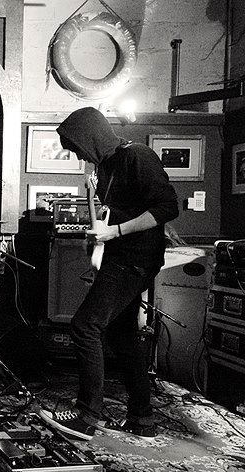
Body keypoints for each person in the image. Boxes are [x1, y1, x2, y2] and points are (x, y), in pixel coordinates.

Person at [38, 107, 179, 441]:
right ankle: (142, 419)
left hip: (134, 259)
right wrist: (99, 238)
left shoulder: (138, 156)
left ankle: (86, 415)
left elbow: (167, 207)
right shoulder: (105, 166)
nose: (78, 156)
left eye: (77, 148)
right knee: (122, 337)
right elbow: (118, 212)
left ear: (91, 137)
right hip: (120, 257)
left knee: (85, 326)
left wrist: (113, 232)